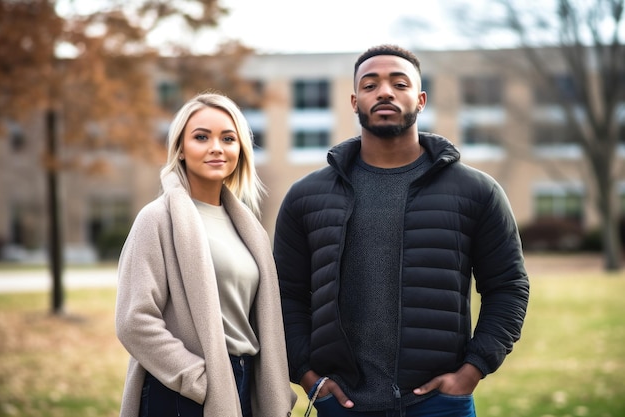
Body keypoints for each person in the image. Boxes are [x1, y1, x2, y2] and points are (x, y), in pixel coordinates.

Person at [273, 44, 530, 417]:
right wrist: (308, 375)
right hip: (341, 403)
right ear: (354, 100)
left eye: (399, 83)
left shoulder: (476, 191)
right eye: (371, 84)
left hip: (438, 403)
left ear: (421, 99)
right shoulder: (307, 196)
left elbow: (508, 287)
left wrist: (472, 370)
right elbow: (285, 295)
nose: (385, 92)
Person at [116, 92, 296, 417]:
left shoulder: (246, 226)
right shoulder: (157, 218)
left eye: (228, 138)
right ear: (181, 149)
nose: (217, 147)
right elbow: (134, 320)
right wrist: (199, 380)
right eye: (201, 137)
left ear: (240, 149)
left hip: (243, 381)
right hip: (184, 390)